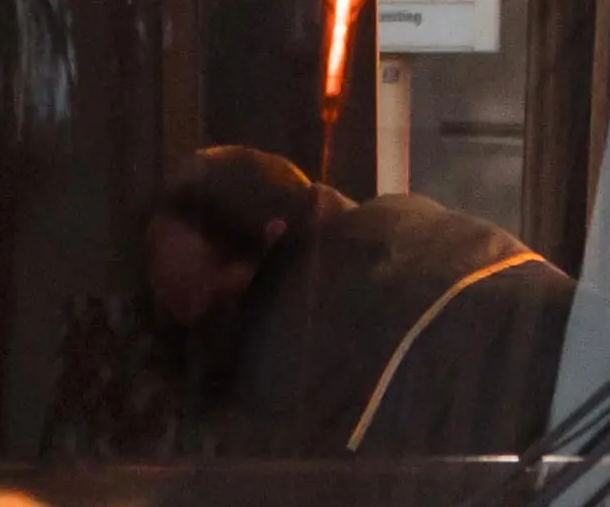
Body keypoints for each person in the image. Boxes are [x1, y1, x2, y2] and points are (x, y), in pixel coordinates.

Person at [49, 147, 567, 460]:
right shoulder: (407, 224)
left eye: (204, 302)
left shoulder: (300, 334)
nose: (192, 327)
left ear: (272, 240)